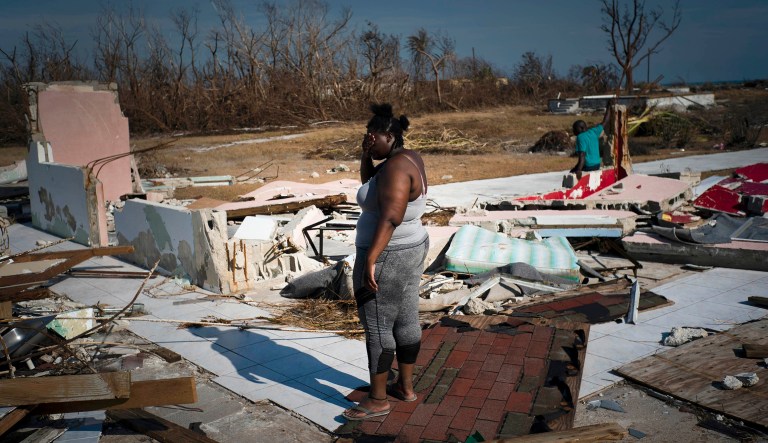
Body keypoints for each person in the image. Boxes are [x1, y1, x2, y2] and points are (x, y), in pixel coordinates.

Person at [342, 103, 429, 421]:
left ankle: (378, 400)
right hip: (411, 248)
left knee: (378, 326)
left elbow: (390, 217)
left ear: (390, 137)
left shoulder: (394, 168)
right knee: (406, 318)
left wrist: (370, 261)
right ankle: (405, 388)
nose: (368, 138)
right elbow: (371, 187)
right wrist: (365, 154)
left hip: (389, 254)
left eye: (373, 135)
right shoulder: (405, 159)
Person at [570, 101, 612, 180]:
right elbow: (605, 121)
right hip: (597, 164)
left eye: (574, 129)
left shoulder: (580, 137)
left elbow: (582, 155)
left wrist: (578, 170)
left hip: (589, 166)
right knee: (574, 169)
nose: (573, 131)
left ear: (581, 128)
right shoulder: (593, 131)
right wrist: (609, 107)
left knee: (572, 173)